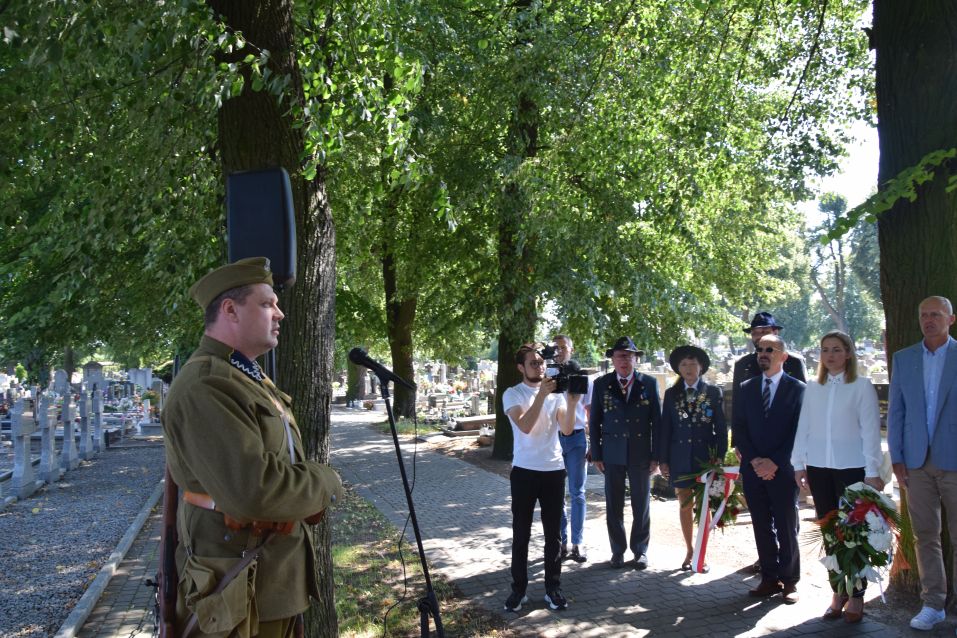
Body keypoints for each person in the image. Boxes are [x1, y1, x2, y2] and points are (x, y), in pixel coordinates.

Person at [162, 257, 344, 638]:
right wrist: (326, 481)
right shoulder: (206, 385)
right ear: (230, 310)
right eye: (266, 304)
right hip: (235, 596)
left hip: (266, 586)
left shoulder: (246, 377)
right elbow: (255, 491)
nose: (279, 313)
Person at [791, 330, 884, 623]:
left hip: (852, 469)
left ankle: (856, 594)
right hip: (819, 468)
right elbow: (804, 426)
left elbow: (870, 432)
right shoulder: (813, 387)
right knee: (831, 533)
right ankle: (837, 592)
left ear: (848, 353)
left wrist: (872, 472)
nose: (830, 355)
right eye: (825, 350)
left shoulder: (861, 386)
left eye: (836, 349)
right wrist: (798, 463)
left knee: (853, 533)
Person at [887, 295, 957, 632]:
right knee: (925, 535)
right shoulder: (904, 358)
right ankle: (933, 604)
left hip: (954, 460)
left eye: (936, 315)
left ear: (950, 319)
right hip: (916, 462)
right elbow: (896, 411)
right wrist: (897, 456)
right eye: (924, 315)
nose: (929, 320)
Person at [502, 343, 581, 613]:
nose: (539, 367)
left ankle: (553, 588)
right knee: (521, 533)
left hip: (553, 471)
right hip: (524, 471)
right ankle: (518, 590)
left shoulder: (556, 395)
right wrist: (541, 396)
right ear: (521, 367)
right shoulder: (513, 393)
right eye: (533, 363)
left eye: (542, 362)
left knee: (553, 535)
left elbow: (567, 430)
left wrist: (572, 403)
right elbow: (524, 426)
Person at [732, 334, 805, 604]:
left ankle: (790, 580)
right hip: (753, 470)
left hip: (783, 470)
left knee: (786, 525)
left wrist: (775, 461)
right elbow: (739, 427)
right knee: (761, 525)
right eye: (760, 349)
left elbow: (798, 431)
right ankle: (769, 577)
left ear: (783, 356)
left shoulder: (798, 389)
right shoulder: (747, 387)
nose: (763, 353)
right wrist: (754, 460)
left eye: (769, 349)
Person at [589, 336, 662, 570]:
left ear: (635, 359)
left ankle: (640, 551)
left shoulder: (648, 383)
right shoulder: (602, 384)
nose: (624, 360)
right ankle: (617, 551)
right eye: (620, 356)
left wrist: (656, 456)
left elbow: (657, 422)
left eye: (629, 356)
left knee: (642, 504)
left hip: (641, 453)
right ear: (612, 359)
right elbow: (595, 421)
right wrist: (596, 454)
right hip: (612, 453)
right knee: (614, 504)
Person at [659, 345, 727, 572]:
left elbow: (720, 428)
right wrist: (663, 459)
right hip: (679, 458)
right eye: (684, 364)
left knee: (704, 506)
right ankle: (689, 550)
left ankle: (701, 552)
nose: (689, 368)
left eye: (693, 364)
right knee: (684, 505)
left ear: (701, 367)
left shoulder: (713, 392)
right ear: (678, 369)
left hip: (704, 459)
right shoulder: (672, 394)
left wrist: (719, 457)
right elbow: (665, 429)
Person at [551, 334, 591, 563]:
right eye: (555, 348)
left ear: (571, 350)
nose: (559, 351)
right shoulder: (548, 377)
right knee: (556, 493)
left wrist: (594, 443)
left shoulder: (582, 377)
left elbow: (590, 411)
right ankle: (561, 541)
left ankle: (578, 542)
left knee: (577, 492)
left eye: (563, 347)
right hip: (554, 439)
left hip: (576, 439)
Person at [732, 312, 807, 399]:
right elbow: (737, 401)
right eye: (754, 333)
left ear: (775, 333)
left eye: (764, 332)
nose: (759, 336)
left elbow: (804, 398)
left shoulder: (794, 362)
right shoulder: (742, 364)